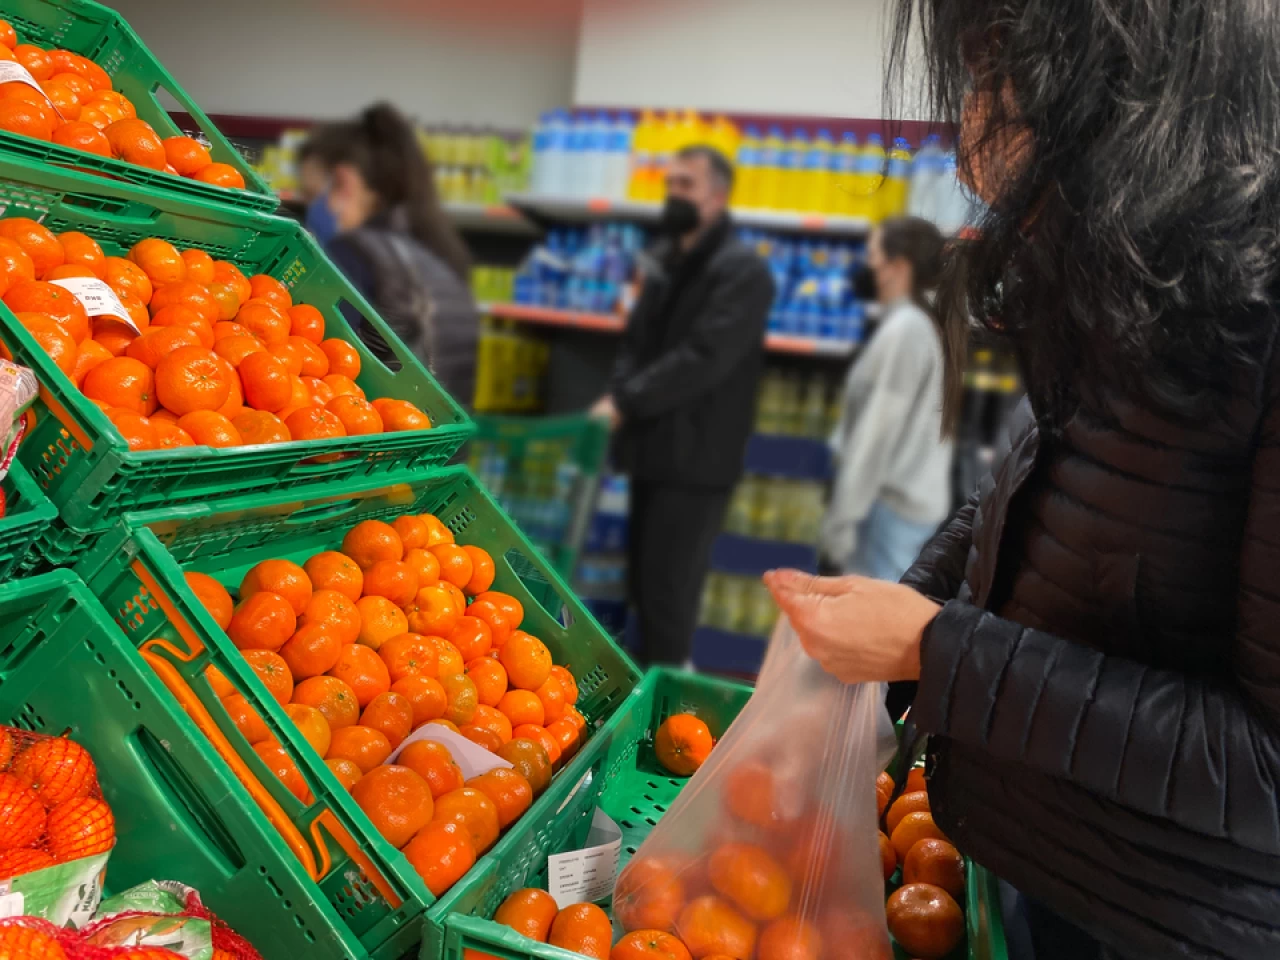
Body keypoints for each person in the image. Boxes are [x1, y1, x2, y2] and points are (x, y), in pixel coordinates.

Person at [765, 2, 1280, 958]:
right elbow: (1039, 481)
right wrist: (902, 613)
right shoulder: (1137, 279)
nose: (965, 139)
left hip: (1156, 924)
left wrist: (937, 649)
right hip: (1028, 871)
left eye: (993, 89)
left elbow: (1263, 765)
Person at [592, 145, 774, 666]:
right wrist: (619, 393)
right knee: (642, 594)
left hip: (695, 461)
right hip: (650, 452)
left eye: (686, 186)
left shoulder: (742, 272)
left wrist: (626, 400)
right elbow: (636, 340)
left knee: (668, 600)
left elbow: (703, 358)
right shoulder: (667, 260)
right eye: (670, 184)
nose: (673, 195)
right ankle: (645, 702)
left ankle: (668, 720)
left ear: (717, 197)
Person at [300, 103, 479, 407]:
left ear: (344, 184)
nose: (309, 211)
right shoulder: (436, 250)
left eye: (311, 195)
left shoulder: (357, 253)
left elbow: (328, 364)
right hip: (439, 444)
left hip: (385, 438)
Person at [822, 216, 955, 580]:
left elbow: (876, 433)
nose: (869, 265)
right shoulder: (916, 324)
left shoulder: (906, 331)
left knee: (867, 626)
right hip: (900, 505)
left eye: (874, 255)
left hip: (887, 509)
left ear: (899, 266)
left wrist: (841, 520)